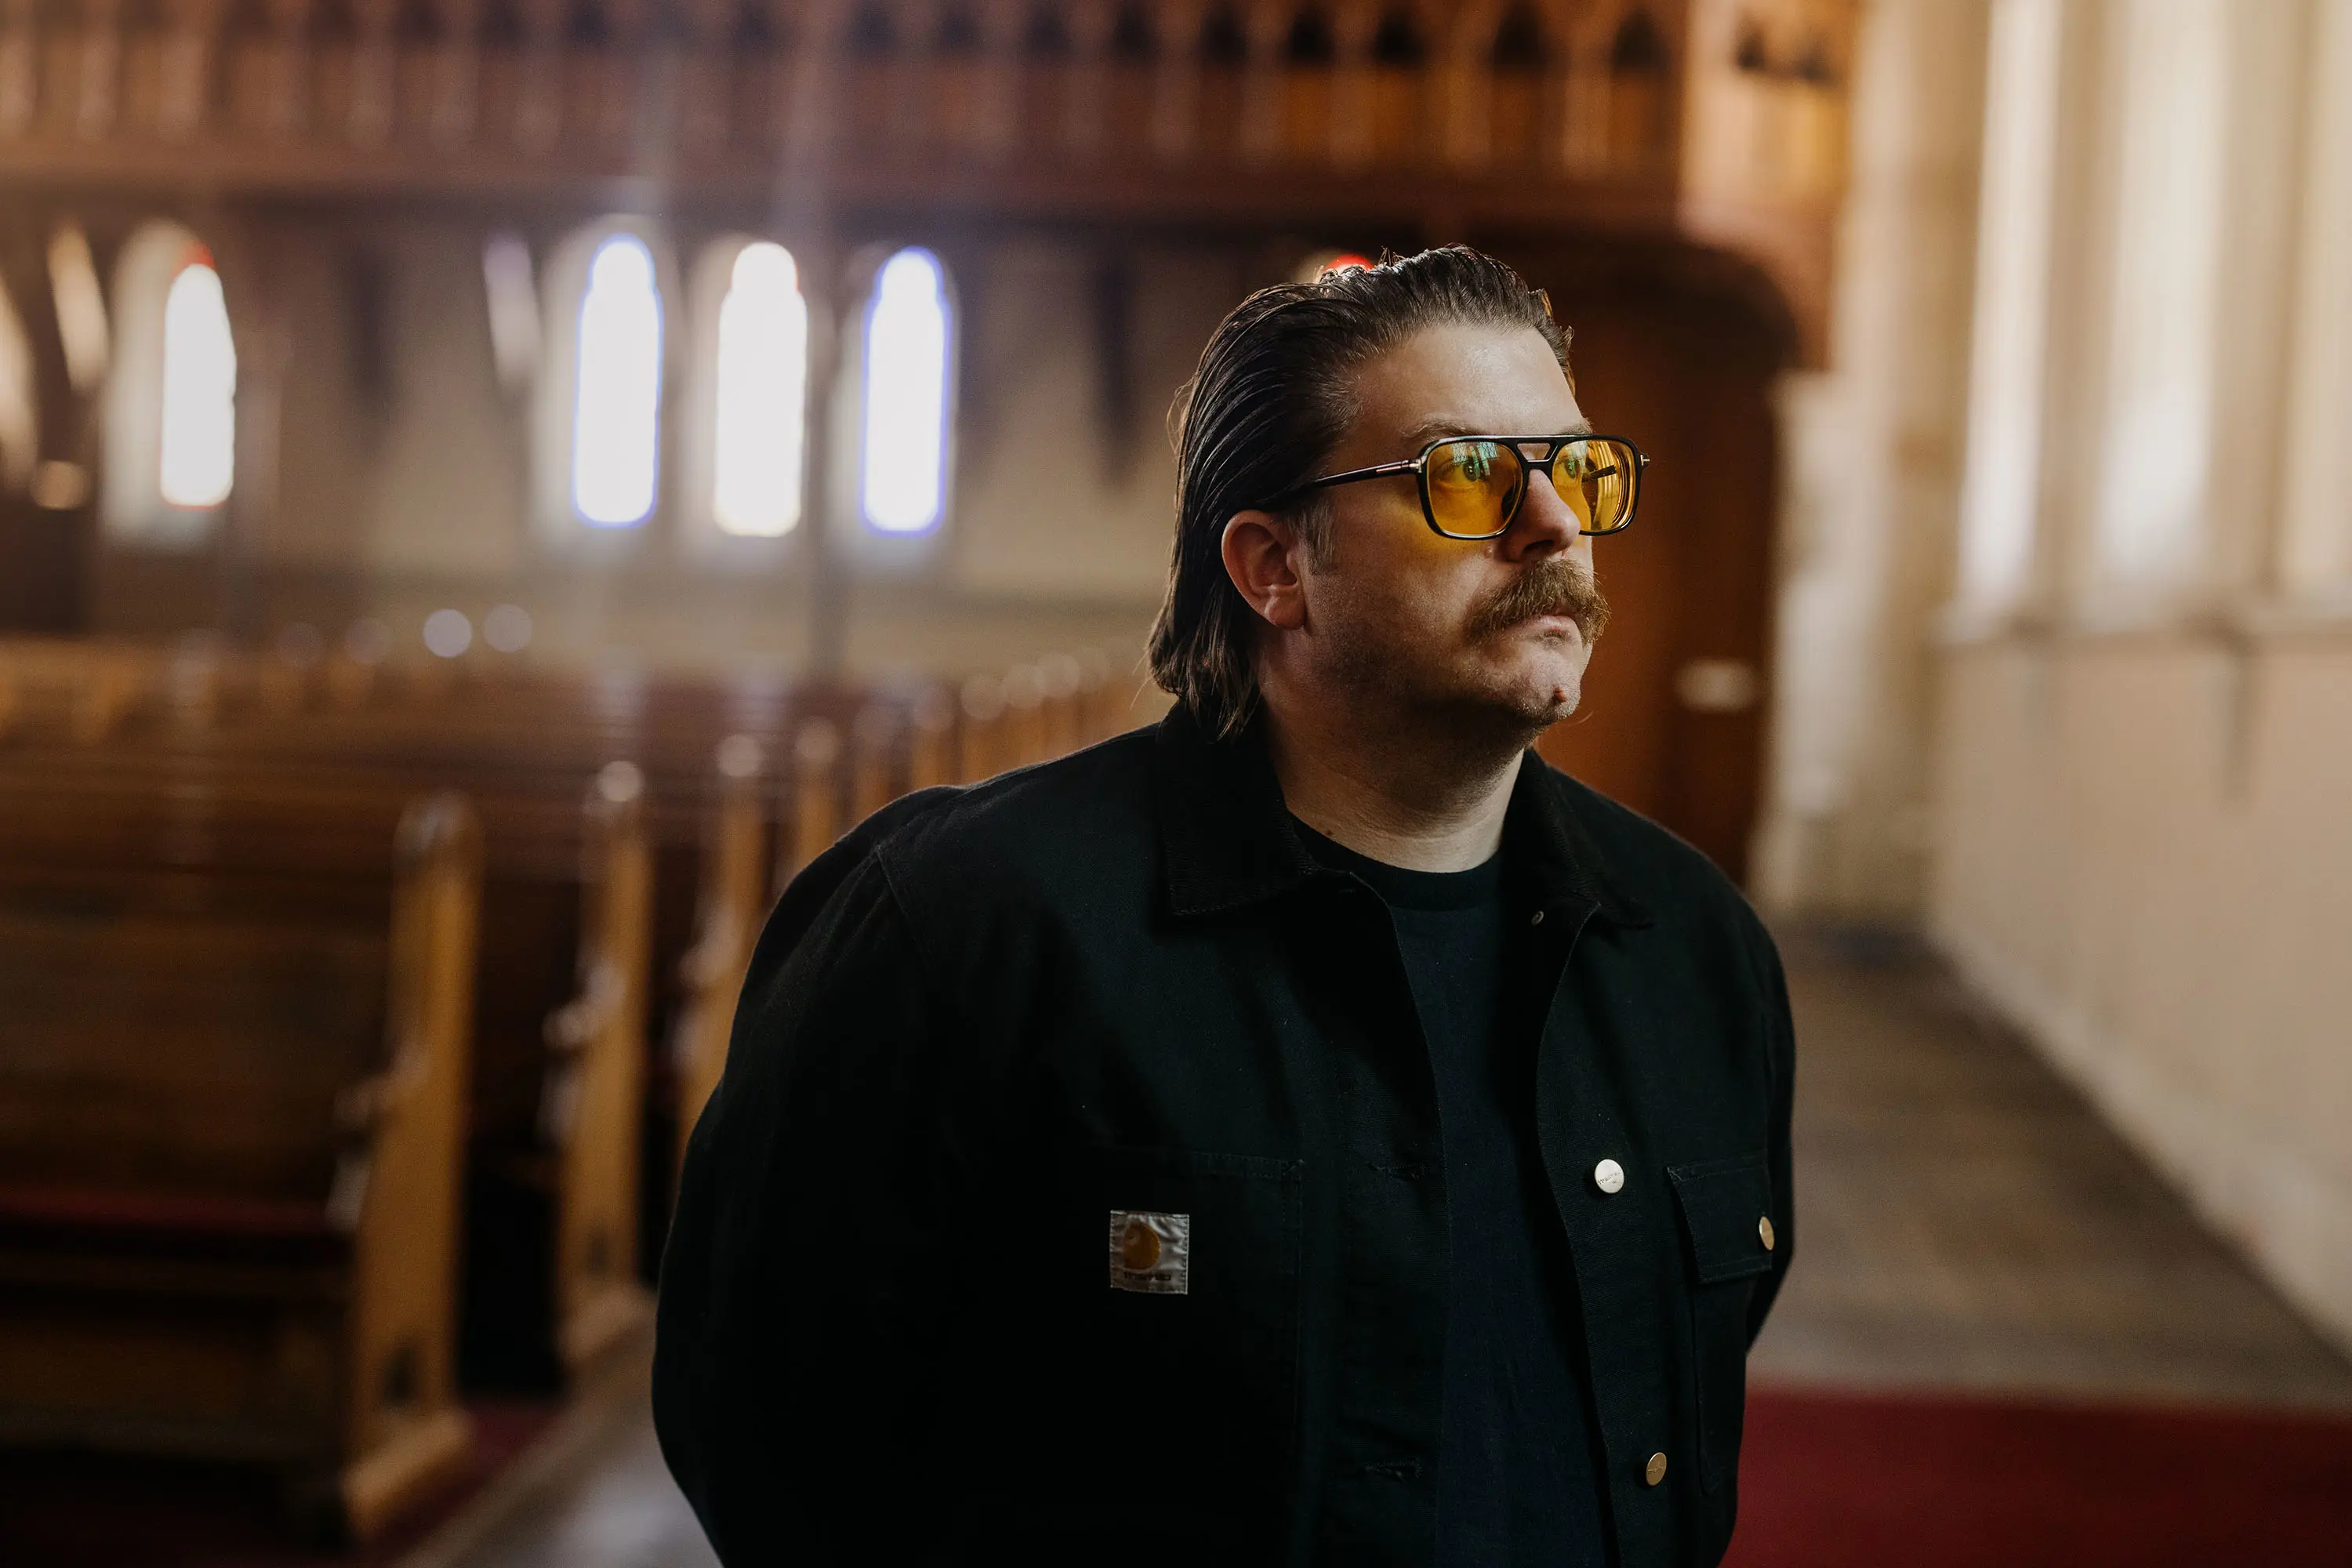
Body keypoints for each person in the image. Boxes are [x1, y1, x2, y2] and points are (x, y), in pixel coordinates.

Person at [655, 246, 1795, 1568]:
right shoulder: (963, 927)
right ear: (1272, 568)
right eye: (1469, 476)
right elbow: (780, 1444)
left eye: (1579, 471)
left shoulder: (1695, 950)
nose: (1553, 524)